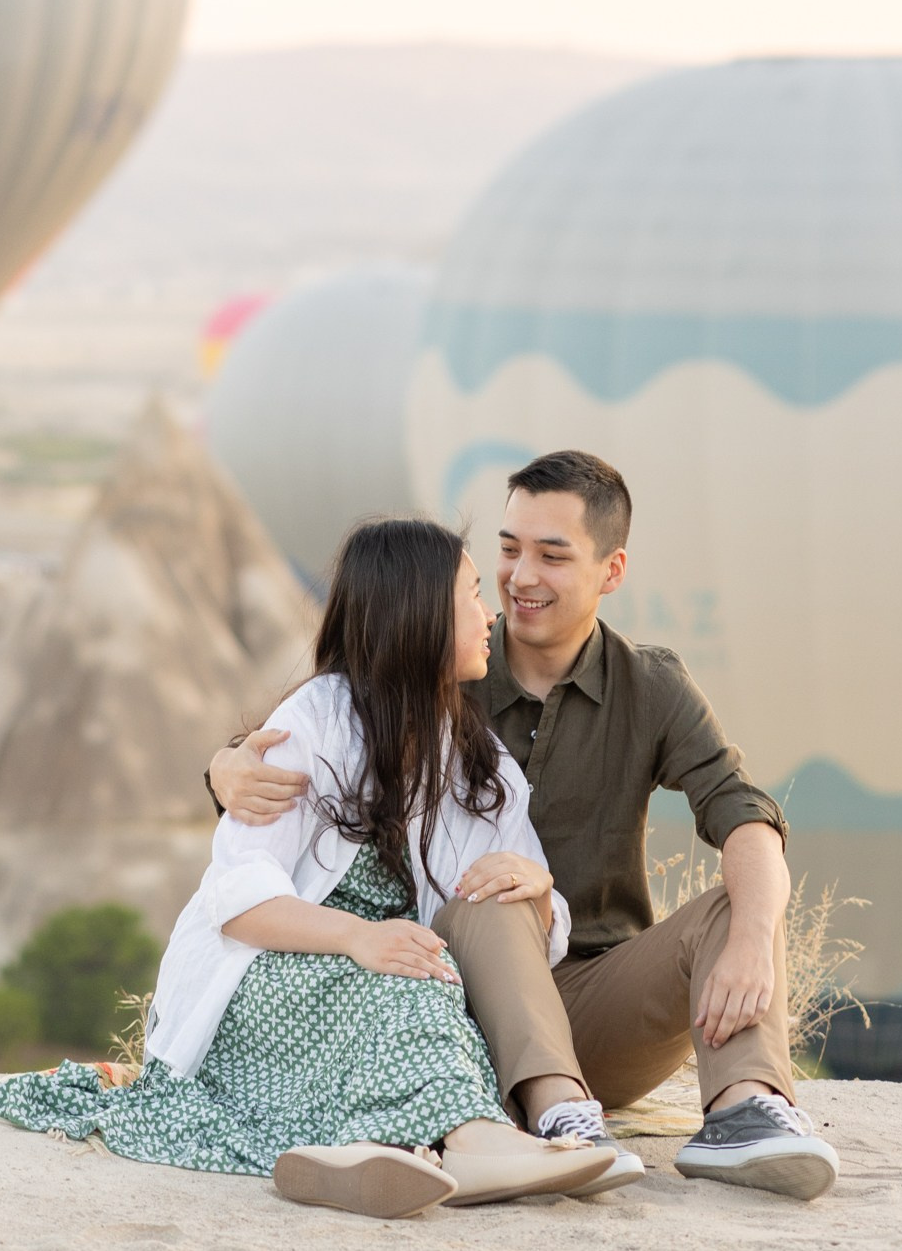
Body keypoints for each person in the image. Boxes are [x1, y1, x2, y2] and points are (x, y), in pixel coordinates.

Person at [211, 450, 839, 1203]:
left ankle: (746, 1113)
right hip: (454, 1000)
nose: (521, 577)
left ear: (611, 571)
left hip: (594, 999)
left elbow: (742, 812)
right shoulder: (447, 670)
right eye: (508, 550)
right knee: (490, 895)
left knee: (742, 901)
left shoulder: (650, 687)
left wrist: (752, 943)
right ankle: (555, 1119)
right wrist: (224, 768)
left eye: (553, 555)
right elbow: (328, 742)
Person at [0, 515, 615, 1219]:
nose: (488, 614)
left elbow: (528, 930)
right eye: (471, 594)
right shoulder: (310, 724)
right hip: (272, 977)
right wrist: (358, 938)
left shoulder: (474, 759)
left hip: (391, 978)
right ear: (422, 613)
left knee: (422, 981)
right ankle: (475, 1144)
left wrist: (537, 891)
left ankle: (366, 1156)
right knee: (409, 988)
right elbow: (239, 901)